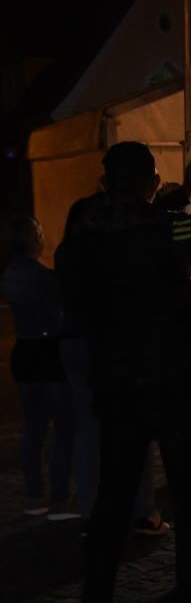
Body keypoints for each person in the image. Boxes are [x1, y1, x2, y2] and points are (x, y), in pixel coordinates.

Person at [62, 142, 191, 603]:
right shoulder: (160, 229)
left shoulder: (83, 224)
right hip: (173, 379)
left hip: (115, 378)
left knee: (113, 500)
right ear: (149, 182)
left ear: (106, 181)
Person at [4, 215, 76, 520]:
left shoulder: (9, 275)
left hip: (25, 350)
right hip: (48, 352)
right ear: (34, 239)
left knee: (33, 429)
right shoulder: (46, 278)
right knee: (63, 429)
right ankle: (59, 499)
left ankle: (34, 497)